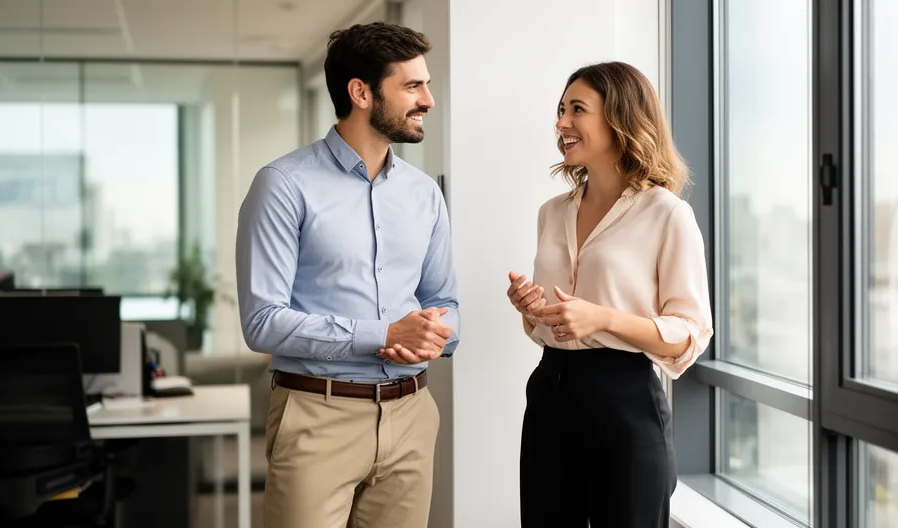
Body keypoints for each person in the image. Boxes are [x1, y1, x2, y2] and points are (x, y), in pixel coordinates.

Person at [236, 22, 459, 528]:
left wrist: (431, 337)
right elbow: (262, 322)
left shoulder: (424, 194)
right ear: (361, 92)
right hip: (317, 415)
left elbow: (446, 300)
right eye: (412, 86)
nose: (428, 98)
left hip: (411, 416)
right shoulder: (283, 185)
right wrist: (384, 334)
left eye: (426, 84)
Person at [507, 61, 713, 527]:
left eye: (577, 109)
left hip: (625, 403)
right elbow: (549, 326)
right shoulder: (551, 213)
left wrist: (603, 319)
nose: (561, 123)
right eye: (560, 110)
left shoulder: (667, 215)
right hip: (549, 394)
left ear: (620, 117)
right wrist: (532, 311)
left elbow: (690, 334)